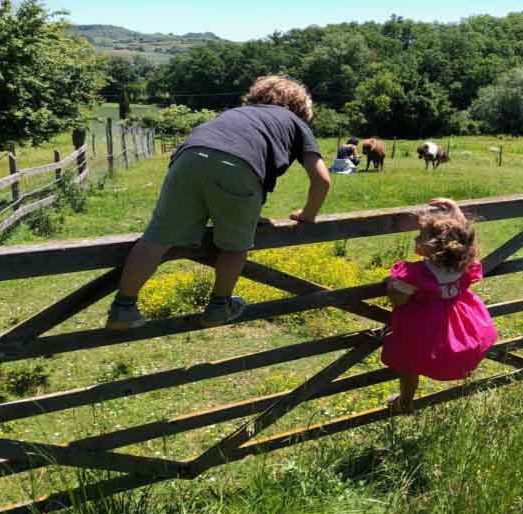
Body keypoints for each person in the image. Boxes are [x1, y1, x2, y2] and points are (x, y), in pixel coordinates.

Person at [106, 75, 331, 330]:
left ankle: (123, 308)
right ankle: (219, 306)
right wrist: (308, 215)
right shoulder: (296, 123)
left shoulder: (236, 113)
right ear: (300, 107)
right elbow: (322, 180)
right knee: (235, 245)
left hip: (187, 158)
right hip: (239, 165)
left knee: (156, 238)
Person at [381, 198, 498, 414]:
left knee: (409, 364)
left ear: (434, 246)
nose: (416, 238)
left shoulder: (416, 274)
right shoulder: (465, 263)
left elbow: (398, 300)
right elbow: (467, 241)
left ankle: (405, 400)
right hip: (459, 318)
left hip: (422, 328)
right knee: (443, 353)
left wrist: (392, 285)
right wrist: (455, 210)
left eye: (421, 236)